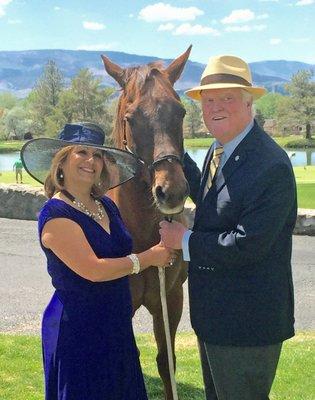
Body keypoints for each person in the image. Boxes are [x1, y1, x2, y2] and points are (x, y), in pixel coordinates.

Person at [159, 55, 297, 400]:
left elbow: (247, 245)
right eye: (209, 100)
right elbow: (209, 198)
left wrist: (184, 240)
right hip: (215, 319)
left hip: (247, 326)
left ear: (249, 103)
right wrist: (166, 150)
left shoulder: (270, 165)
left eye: (227, 98)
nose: (216, 107)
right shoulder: (219, 149)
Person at [21, 122, 175, 400]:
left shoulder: (107, 205)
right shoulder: (56, 214)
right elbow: (93, 270)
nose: (91, 161)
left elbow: (119, 249)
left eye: (98, 155)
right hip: (77, 328)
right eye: (81, 152)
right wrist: (148, 258)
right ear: (61, 161)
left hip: (114, 323)